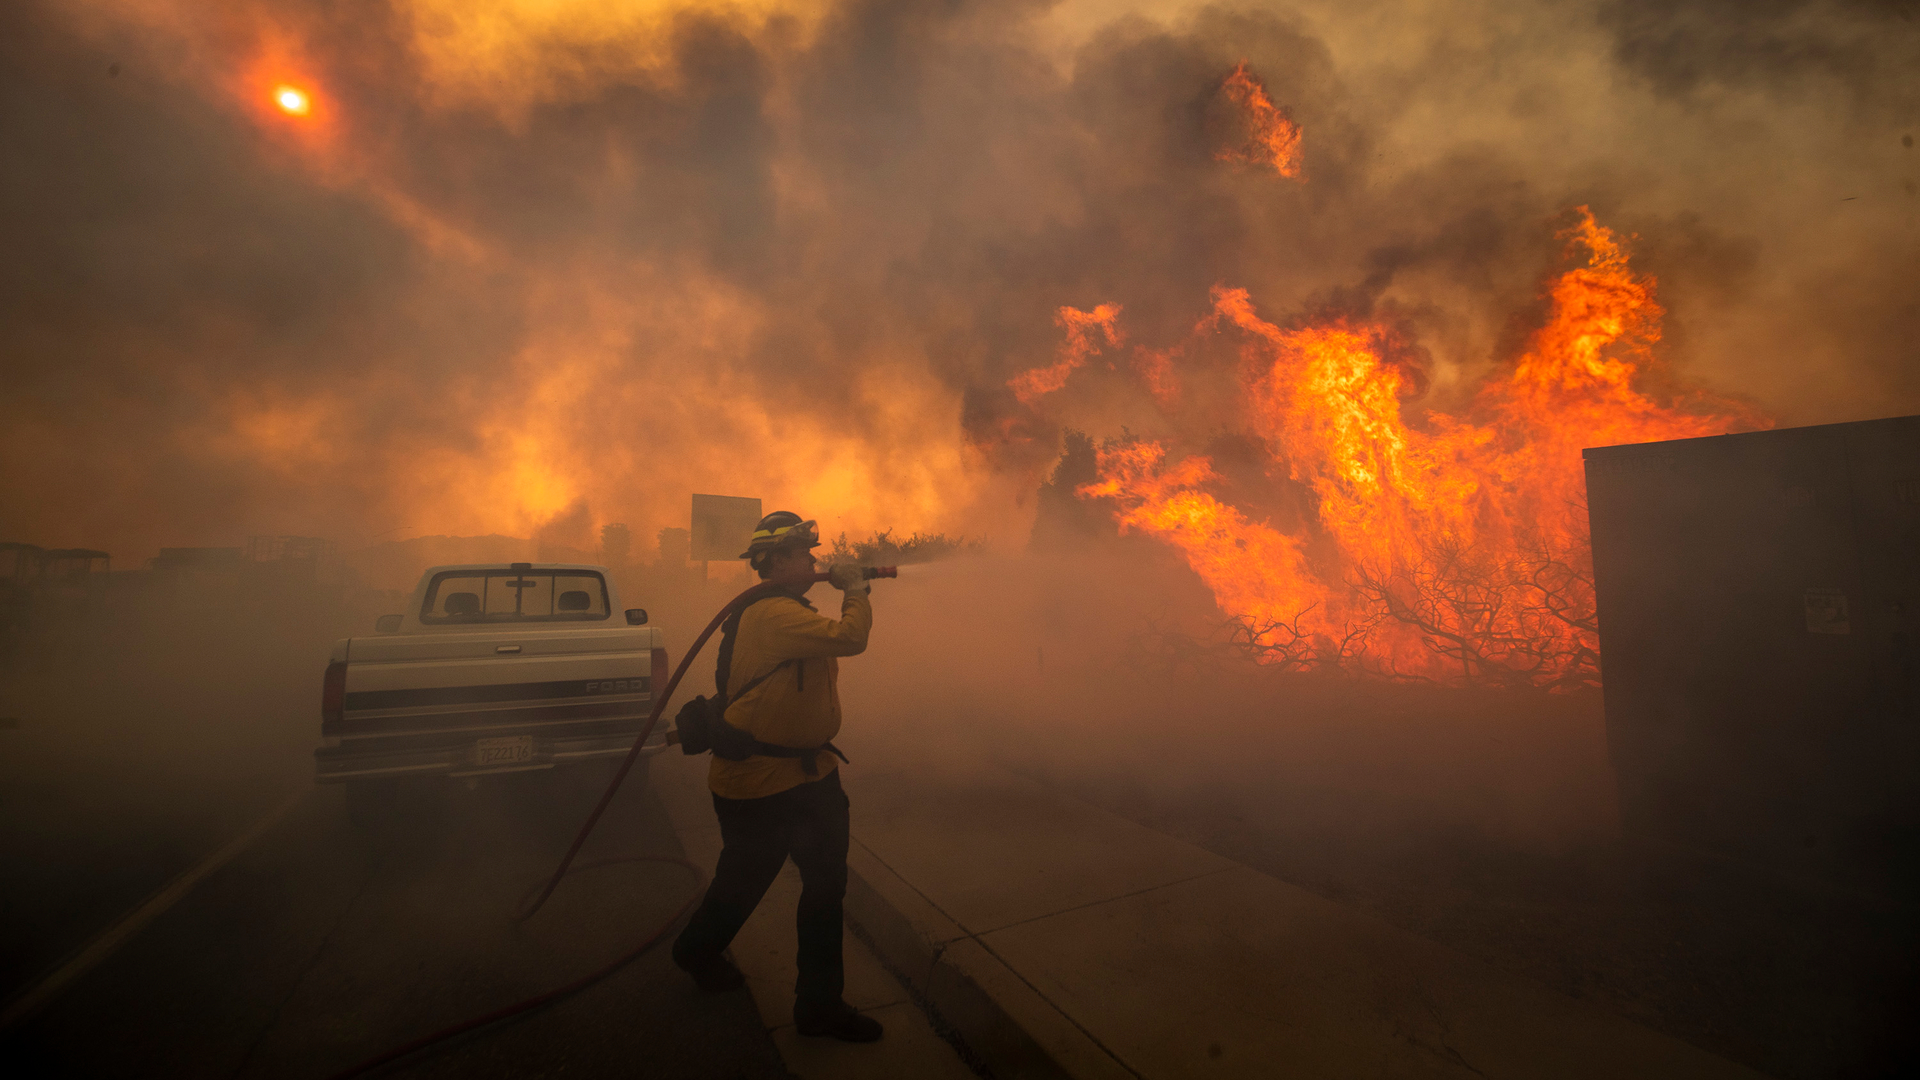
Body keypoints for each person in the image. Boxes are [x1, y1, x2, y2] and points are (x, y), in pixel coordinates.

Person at [670, 511, 882, 1042]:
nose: (813, 562)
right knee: (744, 882)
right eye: (805, 555)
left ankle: (819, 1007)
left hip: (813, 776)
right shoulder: (772, 616)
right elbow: (852, 637)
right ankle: (695, 950)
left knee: (825, 887)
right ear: (779, 561)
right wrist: (855, 589)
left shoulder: (790, 611)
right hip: (759, 783)